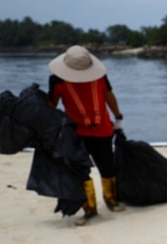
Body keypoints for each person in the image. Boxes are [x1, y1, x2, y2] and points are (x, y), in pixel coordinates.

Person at [47, 45, 125, 225]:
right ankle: (90, 209)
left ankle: (111, 200)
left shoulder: (99, 76)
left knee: (107, 166)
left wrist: (118, 117)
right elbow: (52, 105)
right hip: (76, 134)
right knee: (81, 171)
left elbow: (108, 95)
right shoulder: (56, 81)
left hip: (102, 130)